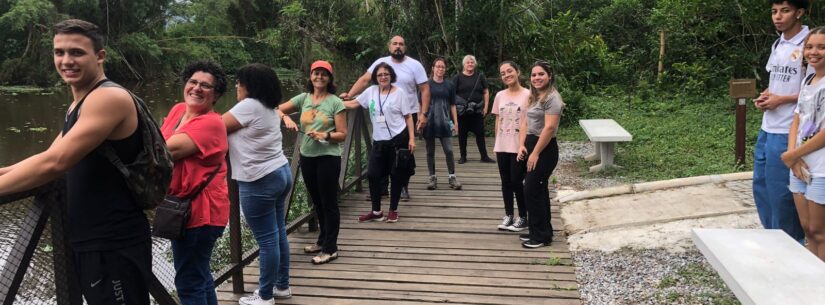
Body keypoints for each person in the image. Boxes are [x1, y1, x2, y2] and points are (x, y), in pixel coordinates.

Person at [0, 19, 152, 304]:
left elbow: (55, 164)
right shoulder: (79, 103)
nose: (66, 60)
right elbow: (48, 155)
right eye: (60, 52)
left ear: (100, 55)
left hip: (113, 242)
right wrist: (4, 171)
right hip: (92, 239)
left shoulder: (108, 98)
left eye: (77, 52)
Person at [160, 61, 230, 305]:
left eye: (206, 86)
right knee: (199, 275)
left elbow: (163, 151)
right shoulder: (178, 110)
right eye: (193, 82)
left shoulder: (211, 122)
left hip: (201, 212)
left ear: (216, 95)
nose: (197, 88)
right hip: (182, 207)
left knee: (189, 283)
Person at [223, 64, 292, 305]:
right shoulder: (269, 106)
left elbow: (212, 129)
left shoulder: (249, 106)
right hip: (280, 171)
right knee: (277, 233)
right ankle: (281, 286)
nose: (236, 86)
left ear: (250, 86)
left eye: (239, 82)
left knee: (267, 239)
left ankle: (265, 296)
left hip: (259, 179)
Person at [341, 35, 429, 201]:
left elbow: (425, 90)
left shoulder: (414, 65)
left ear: (405, 47)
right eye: (395, 44)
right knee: (381, 149)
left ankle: (403, 187)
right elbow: (365, 79)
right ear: (389, 47)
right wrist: (349, 96)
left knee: (403, 154)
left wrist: (423, 114)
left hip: (407, 114)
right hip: (383, 113)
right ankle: (381, 189)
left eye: (401, 44)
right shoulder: (381, 63)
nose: (398, 47)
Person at [279, 60, 347, 264]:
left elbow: (343, 134)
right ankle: (322, 240)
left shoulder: (336, 102)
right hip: (307, 157)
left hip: (328, 158)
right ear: (310, 76)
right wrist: (286, 118)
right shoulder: (303, 98)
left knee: (329, 203)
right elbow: (275, 109)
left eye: (324, 74)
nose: (319, 77)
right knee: (317, 201)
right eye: (316, 73)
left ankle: (330, 248)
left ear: (329, 79)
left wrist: (326, 136)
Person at [753, 0, 809, 243]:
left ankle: (789, 244)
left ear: (799, 13)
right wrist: (767, 94)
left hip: (789, 130)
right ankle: (772, 240)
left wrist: (782, 99)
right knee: (761, 187)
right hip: (768, 127)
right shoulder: (779, 44)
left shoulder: (811, 44)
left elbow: (815, 88)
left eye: (785, 11)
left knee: (781, 194)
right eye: (774, 11)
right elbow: (777, 81)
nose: (778, 17)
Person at [344, 63, 418, 223]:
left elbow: (408, 117)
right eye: (379, 75)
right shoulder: (371, 91)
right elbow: (354, 103)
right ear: (375, 78)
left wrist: (412, 138)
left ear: (391, 76)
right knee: (372, 175)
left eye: (386, 74)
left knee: (396, 175)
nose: (383, 77)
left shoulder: (399, 93)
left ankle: (393, 210)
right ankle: (376, 211)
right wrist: (332, 103)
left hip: (398, 140)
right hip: (379, 141)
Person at [782, 26, 825, 261]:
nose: (814, 52)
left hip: (821, 167)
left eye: (821, 47)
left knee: (821, 231)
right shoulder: (808, 79)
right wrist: (793, 155)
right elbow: (797, 118)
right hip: (799, 165)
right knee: (808, 228)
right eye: (809, 46)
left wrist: (794, 154)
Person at [517, 61, 563, 249]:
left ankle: (541, 237)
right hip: (531, 144)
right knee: (538, 189)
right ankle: (541, 230)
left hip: (544, 148)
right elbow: (527, 122)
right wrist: (522, 145)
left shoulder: (553, 98)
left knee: (532, 189)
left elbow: (550, 127)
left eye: (541, 74)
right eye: (534, 75)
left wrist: (535, 153)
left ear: (549, 75)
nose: (536, 78)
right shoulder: (535, 96)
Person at [492, 61, 530, 232]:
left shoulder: (528, 95)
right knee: (505, 182)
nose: (506, 75)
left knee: (517, 181)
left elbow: (529, 122)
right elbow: (498, 119)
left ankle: (523, 216)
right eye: (503, 73)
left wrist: (524, 144)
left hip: (518, 145)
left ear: (518, 71)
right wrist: (497, 142)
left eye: (509, 71)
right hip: (502, 145)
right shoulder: (500, 95)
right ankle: (509, 215)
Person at [423, 57, 462, 190]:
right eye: (438, 66)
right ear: (433, 68)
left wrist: (455, 122)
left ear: (445, 69)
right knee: (430, 151)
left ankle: (452, 176)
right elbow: (419, 103)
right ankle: (432, 177)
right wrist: (419, 119)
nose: (440, 69)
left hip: (445, 122)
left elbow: (452, 105)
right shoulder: (426, 85)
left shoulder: (449, 85)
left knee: (449, 150)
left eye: (443, 67)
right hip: (429, 122)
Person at [454, 55, 495, 164]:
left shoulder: (480, 77)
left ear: (475, 64)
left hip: (477, 110)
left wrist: (486, 106)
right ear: (464, 64)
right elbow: (452, 94)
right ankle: (463, 156)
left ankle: (484, 156)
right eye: (468, 62)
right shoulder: (458, 77)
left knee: (480, 134)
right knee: (462, 135)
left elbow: (486, 91)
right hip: (462, 111)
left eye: (472, 62)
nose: (470, 64)